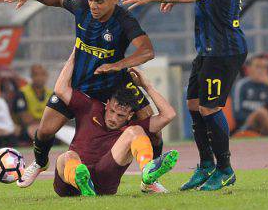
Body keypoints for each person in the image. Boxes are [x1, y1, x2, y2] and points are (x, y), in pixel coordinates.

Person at [4, 0, 165, 191]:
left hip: (113, 84)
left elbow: (147, 51)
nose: (93, 5)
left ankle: (150, 178)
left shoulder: (124, 20)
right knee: (45, 130)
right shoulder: (81, 7)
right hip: (81, 82)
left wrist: (119, 64)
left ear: (114, 1)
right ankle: (41, 162)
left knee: (153, 129)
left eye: (99, 1)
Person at [122, 0, 247, 191]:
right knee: (193, 105)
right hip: (208, 48)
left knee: (209, 107)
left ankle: (224, 169)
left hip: (225, 49)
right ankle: (205, 166)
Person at [51, 51, 178, 196]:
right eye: (111, 111)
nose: (113, 118)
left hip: (104, 182)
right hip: (69, 184)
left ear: (130, 115)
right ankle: (82, 182)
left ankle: (148, 171)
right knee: (68, 156)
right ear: (107, 104)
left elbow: (168, 115)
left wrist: (147, 85)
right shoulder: (90, 107)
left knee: (135, 131)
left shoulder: (131, 126)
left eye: (120, 115)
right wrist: (76, 53)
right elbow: (60, 89)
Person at [13, 64, 52, 140]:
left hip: (46, 127)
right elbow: (25, 119)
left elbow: (56, 118)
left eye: (43, 74)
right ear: (31, 76)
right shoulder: (22, 93)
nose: (39, 78)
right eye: (36, 75)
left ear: (47, 76)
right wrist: (47, 122)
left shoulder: (51, 94)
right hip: (26, 128)